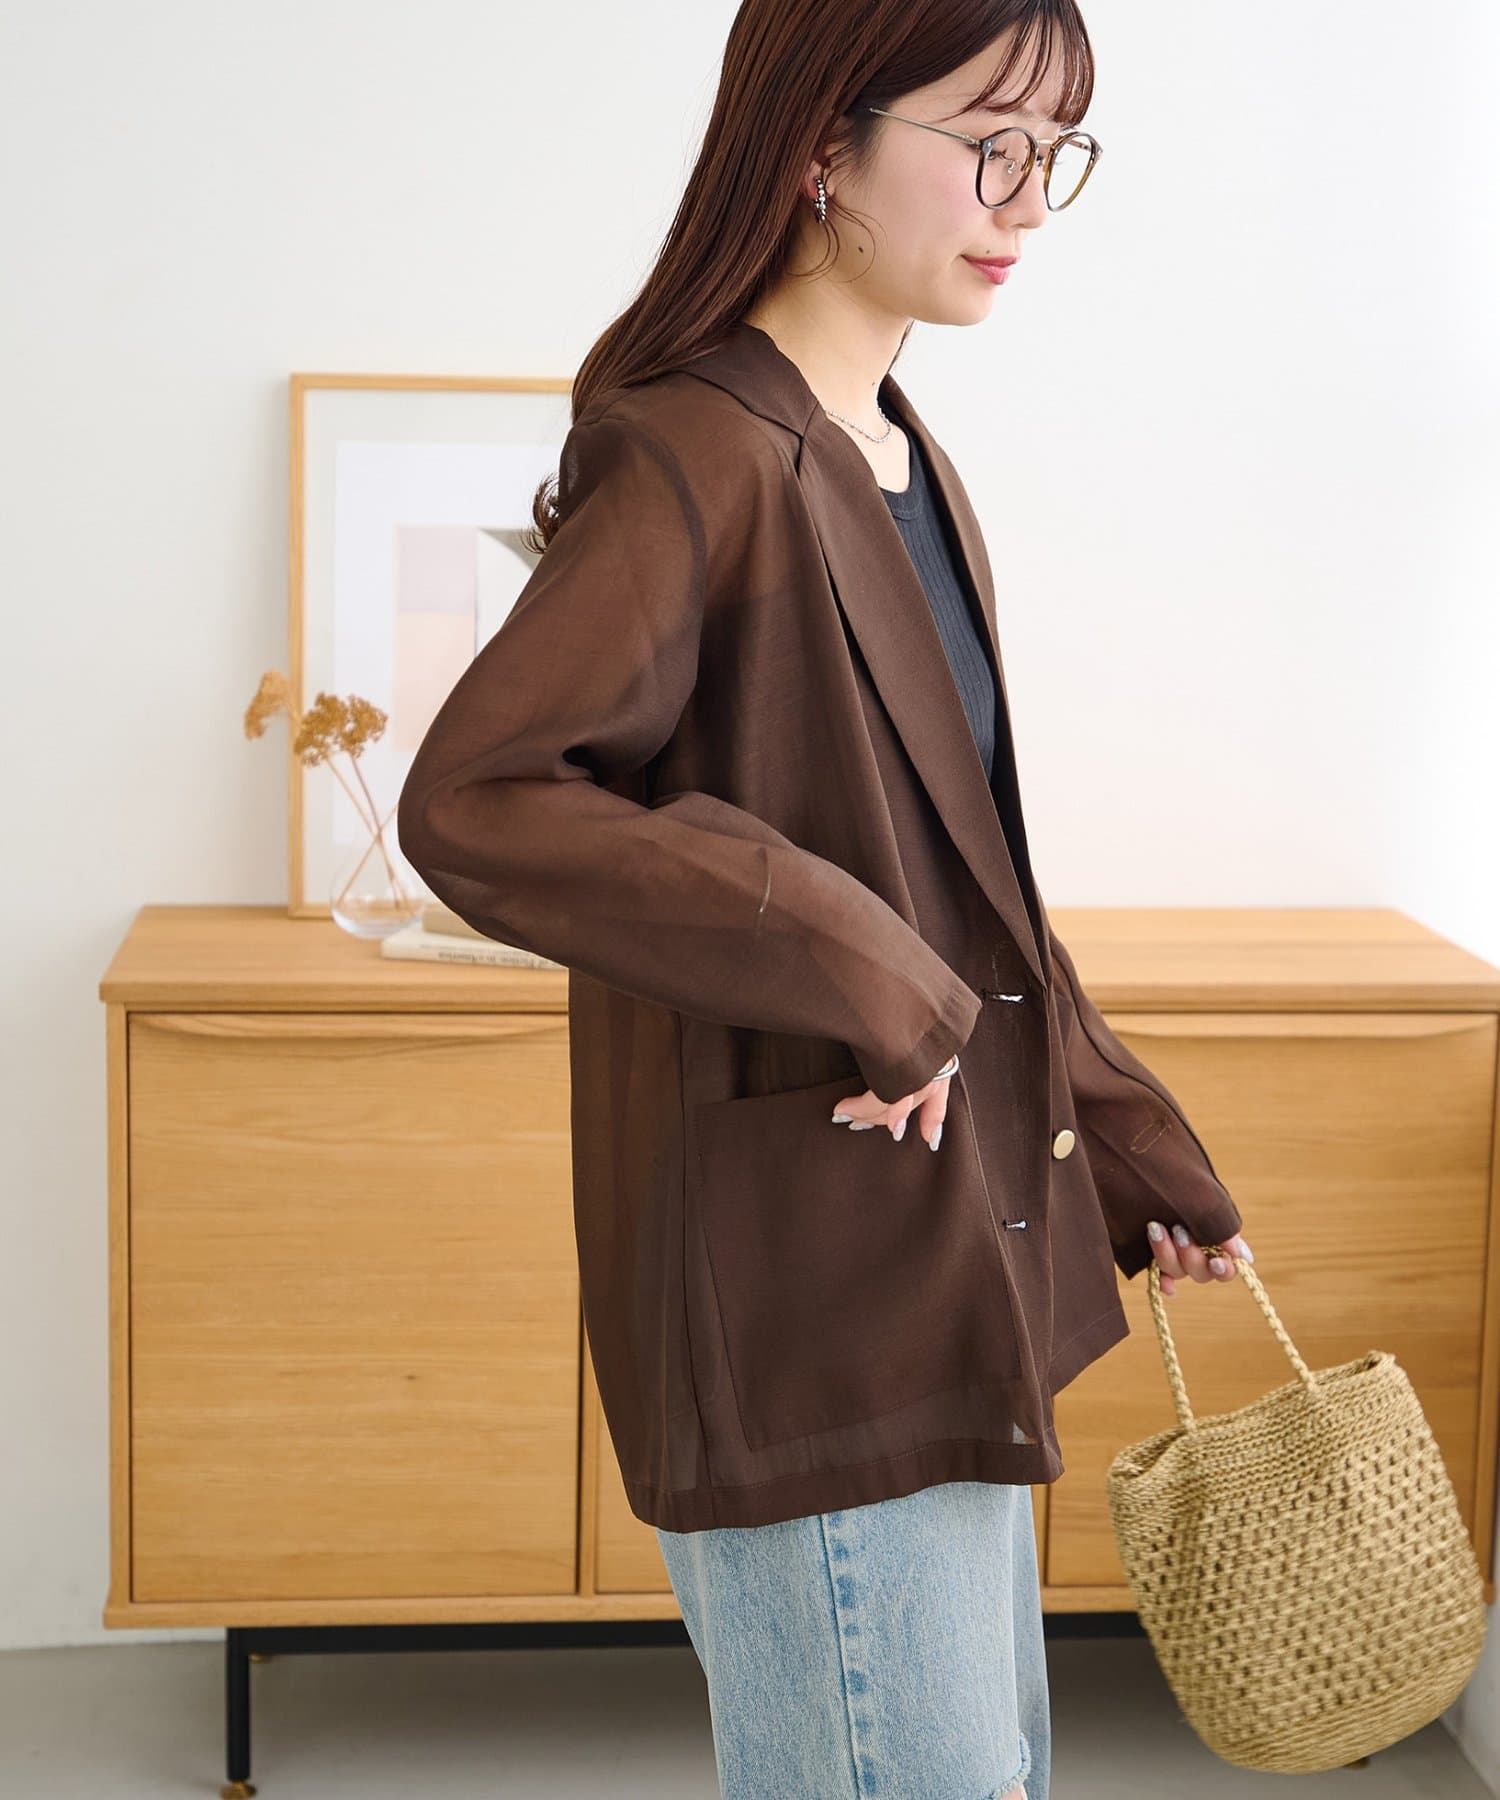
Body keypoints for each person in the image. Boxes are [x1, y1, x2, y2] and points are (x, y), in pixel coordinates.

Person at [398, 2, 1254, 1794]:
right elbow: (482, 800)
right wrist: (855, 954)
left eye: (1055, 153)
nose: (1027, 200)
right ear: (818, 149)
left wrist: (1125, 1131)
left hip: (946, 1265)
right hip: (804, 1304)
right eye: (987, 143)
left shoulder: (903, 457)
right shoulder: (694, 451)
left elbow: (966, 881)